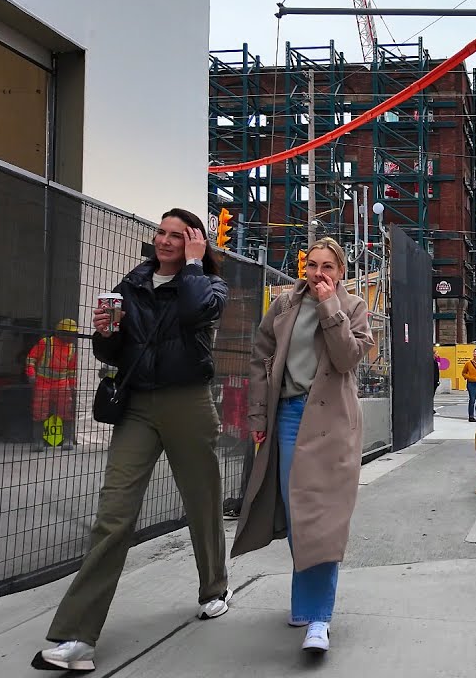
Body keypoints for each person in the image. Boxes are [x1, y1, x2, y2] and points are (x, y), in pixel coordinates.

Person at [33, 209, 231, 673]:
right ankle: (76, 637)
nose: (164, 240)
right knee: (113, 514)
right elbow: (113, 351)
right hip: (137, 404)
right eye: (160, 232)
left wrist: (196, 265)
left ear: (195, 241)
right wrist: (106, 332)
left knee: (202, 502)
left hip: (188, 401)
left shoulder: (209, 285)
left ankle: (214, 588)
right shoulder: (132, 283)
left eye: (176, 235)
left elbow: (194, 311)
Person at [232, 237, 373, 656]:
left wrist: (330, 308)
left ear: (341, 271)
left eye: (327, 266)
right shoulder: (283, 305)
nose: (318, 273)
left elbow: (348, 358)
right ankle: (305, 601)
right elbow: (260, 359)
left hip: (332, 424)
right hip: (289, 418)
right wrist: (258, 416)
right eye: (312, 264)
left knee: (321, 519)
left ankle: (318, 618)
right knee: (298, 516)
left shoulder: (354, 308)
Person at [26, 318, 80, 451]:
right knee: (39, 412)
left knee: (66, 411)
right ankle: (38, 441)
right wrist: (31, 374)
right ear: (60, 333)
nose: (72, 337)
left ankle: (67, 439)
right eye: (70, 334)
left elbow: (72, 370)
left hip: (62, 383)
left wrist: (72, 385)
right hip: (43, 382)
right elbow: (30, 359)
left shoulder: (72, 348)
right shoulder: (45, 343)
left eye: (73, 334)